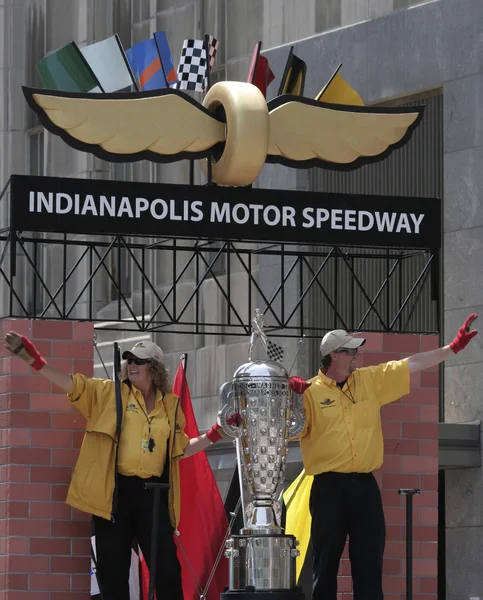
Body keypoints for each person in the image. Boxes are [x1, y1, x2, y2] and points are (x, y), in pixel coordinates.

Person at [4, 332, 238, 600]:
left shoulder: (170, 406)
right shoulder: (108, 393)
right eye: (128, 360)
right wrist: (36, 361)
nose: (131, 364)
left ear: (156, 368)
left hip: (153, 495)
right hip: (114, 494)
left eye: (139, 360)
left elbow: (178, 448)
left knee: (168, 573)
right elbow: (71, 384)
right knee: (113, 575)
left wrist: (215, 434)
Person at [289, 314, 478, 600]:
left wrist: (451, 348)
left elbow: (411, 364)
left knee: (369, 565)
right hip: (328, 489)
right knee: (325, 567)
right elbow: (291, 432)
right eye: (351, 351)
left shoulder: (369, 380)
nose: (357, 356)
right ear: (335, 356)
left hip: (365, 487)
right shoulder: (310, 392)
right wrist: (291, 399)